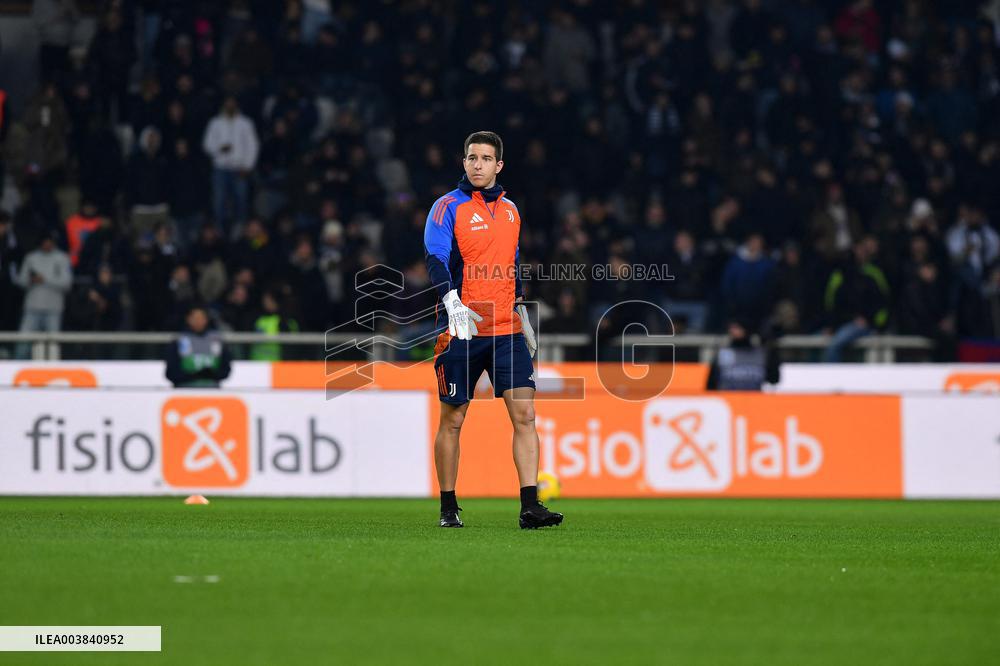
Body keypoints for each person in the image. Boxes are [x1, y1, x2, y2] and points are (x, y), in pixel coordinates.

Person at [423, 131, 561, 530]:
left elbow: (512, 263)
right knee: (453, 418)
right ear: (463, 162)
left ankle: (530, 507)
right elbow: (434, 258)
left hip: (506, 329)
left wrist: (520, 305)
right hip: (461, 331)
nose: (478, 164)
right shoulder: (446, 206)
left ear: (499, 165)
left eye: (485, 158)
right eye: (471, 157)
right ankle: (449, 508)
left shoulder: (512, 211)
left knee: (525, 415)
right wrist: (451, 303)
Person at [202, 96, 259, 232]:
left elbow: (252, 145)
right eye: (228, 103)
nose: (230, 105)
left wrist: (248, 166)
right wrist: (219, 148)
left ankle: (239, 230)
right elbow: (207, 145)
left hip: (239, 168)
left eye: (232, 103)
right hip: (220, 168)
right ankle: (219, 231)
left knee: (241, 200)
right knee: (218, 201)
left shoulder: (245, 123)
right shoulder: (215, 122)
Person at [15, 233, 72, 358]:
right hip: (32, 307)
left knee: (53, 343)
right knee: (23, 341)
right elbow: (21, 281)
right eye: (45, 241)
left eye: (49, 241)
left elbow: (67, 283)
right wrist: (31, 280)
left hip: (53, 308)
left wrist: (44, 279)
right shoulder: (31, 258)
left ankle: (54, 370)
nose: (47, 244)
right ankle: (16, 366)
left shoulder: (62, 258)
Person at [165, 304, 232, 388]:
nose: (198, 321)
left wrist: (210, 375)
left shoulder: (217, 341)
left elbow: (225, 369)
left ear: (206, 320)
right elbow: (171, 372)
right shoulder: (178, 341)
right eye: (195, 318)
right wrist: (195, 375)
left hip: (212, 391)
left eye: (201, 318)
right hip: (183, 391)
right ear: (188, 319)